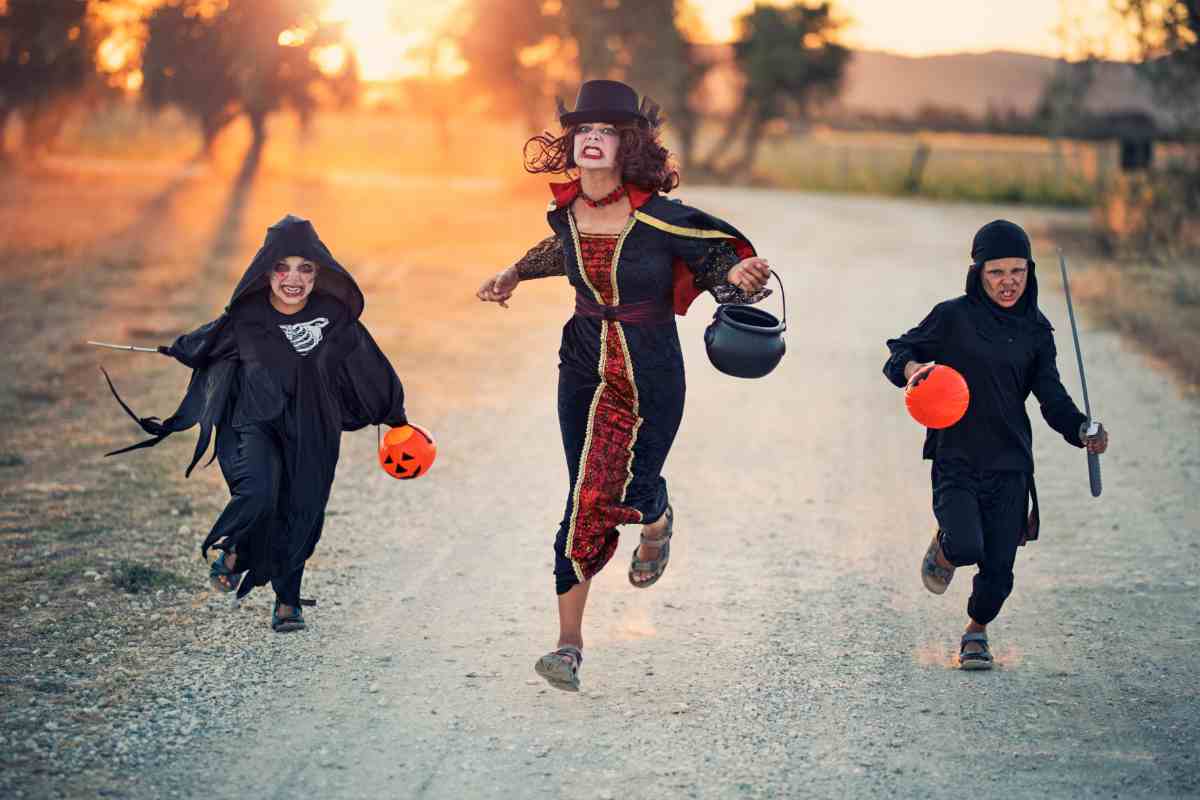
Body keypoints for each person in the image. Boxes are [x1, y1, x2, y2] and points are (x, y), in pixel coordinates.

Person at [477, 79, 773, 691]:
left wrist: (738, 278)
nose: (591, 139)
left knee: (633, 487)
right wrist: (512, 272)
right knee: (585, 492)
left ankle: (657, 518)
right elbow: (562, 250)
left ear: (627, 144)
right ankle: (568, 646)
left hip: (652, 366)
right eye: (583, 130)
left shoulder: (662, 219)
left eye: (606, 131)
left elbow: (714, 265)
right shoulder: (568, 213)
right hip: (582, 361)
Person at [103, 215, 409, 632]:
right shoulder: (245, 319)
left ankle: (287, 602)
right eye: (283, 267)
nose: (293, 278)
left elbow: (369, 366)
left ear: (319, 273)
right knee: (260, 493)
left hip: (313, 430)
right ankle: (233, 549)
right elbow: (206, 342)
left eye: (305, 268)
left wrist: (396, 418)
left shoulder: (334, 318)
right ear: (266, 272)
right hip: (255, 424)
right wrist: (174, 348)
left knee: (302, 510)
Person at [882, 219, 1110, 669]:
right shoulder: (952, 317)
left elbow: (1051, 397)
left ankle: (976, 632)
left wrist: (1082, 429)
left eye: (1017, 272)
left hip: (1010, 462)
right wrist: (913, 373)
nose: (1008, 283)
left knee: (999, 572)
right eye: (996, 273)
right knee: (967, 545)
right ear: (978, 273)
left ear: (1030, 273)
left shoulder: (1036, 333)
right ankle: (946, 547)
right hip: (956, 455)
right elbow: (898, 353)